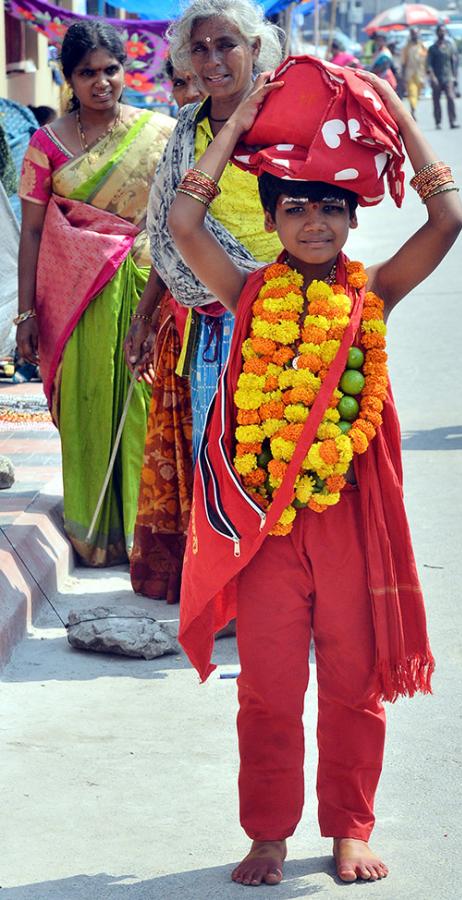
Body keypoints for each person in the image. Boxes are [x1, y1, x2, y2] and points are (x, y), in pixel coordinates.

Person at [168, 58, 462, 886]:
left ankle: (349, 823)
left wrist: (400, 116)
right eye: (294, 208)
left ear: (349, 218)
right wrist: (236, 121)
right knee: (264, 690)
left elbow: (447, 219)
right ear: (272, 220)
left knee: (352, 682)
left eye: (329, 208)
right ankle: (267, 830)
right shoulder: (249, 293)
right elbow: (187, 223)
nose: (313, 223)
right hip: (265, 527)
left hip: (349, 520)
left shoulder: (372, 297)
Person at [126, 0, 283, 618]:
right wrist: (145, 315)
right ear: (184, 59)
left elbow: (322, 218)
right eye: (201, 49)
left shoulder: (286, 122)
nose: (214, 60)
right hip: (209, 329)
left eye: (227, 45)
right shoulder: (186, 129)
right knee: (215, 462)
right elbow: (169, 235)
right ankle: (229, 599)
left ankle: (282, 598)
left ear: (254, 47)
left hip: (281, 319)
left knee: (278, 453)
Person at [16, 21, 174, 565]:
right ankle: (94, 534)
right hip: (77, 299)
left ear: (126, 70)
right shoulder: (46, 144)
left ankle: (145, 534)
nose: (102, 82)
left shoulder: (160, 133)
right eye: (87, 73)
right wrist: (24, 314)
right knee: (87, 405)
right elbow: (33, 231)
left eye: (111, 69)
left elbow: (179, 216)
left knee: (145, 408)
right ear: (69, 78)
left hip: (148, 286)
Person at [126, 60, 203, 604]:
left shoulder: (256, 140)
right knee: (186, 452)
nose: (191, 90)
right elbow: (166, 243)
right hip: (185, 322)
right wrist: (146, 314)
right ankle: (192, 580)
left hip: (250, 321)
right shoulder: (180, 143)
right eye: (180, 81)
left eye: (201, 76)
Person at [426, 25, 460, 129]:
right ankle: (438, 122)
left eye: (444, 31)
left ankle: (452, 121)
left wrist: (455, 77)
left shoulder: (450, 46)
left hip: (448, 77)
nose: (442, 33)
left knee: (450, 98)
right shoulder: (432, 48)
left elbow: (454, 62)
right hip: (437, 78)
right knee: (436, 100)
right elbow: (429, 65)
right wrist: (433, 78)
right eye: (440, 31)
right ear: (437, 33)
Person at [401, 27, 427, 120]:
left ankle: (414, 108)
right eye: (413, 34)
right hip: (410, 74)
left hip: (420, 74)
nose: (415, 35)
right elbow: (403, 63)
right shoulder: (407, 47)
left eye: (416, 33)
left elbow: (426, 60)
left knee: (418, 94)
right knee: (412, 92)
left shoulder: (422, 46)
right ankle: (413, 110)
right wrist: (403, 76)